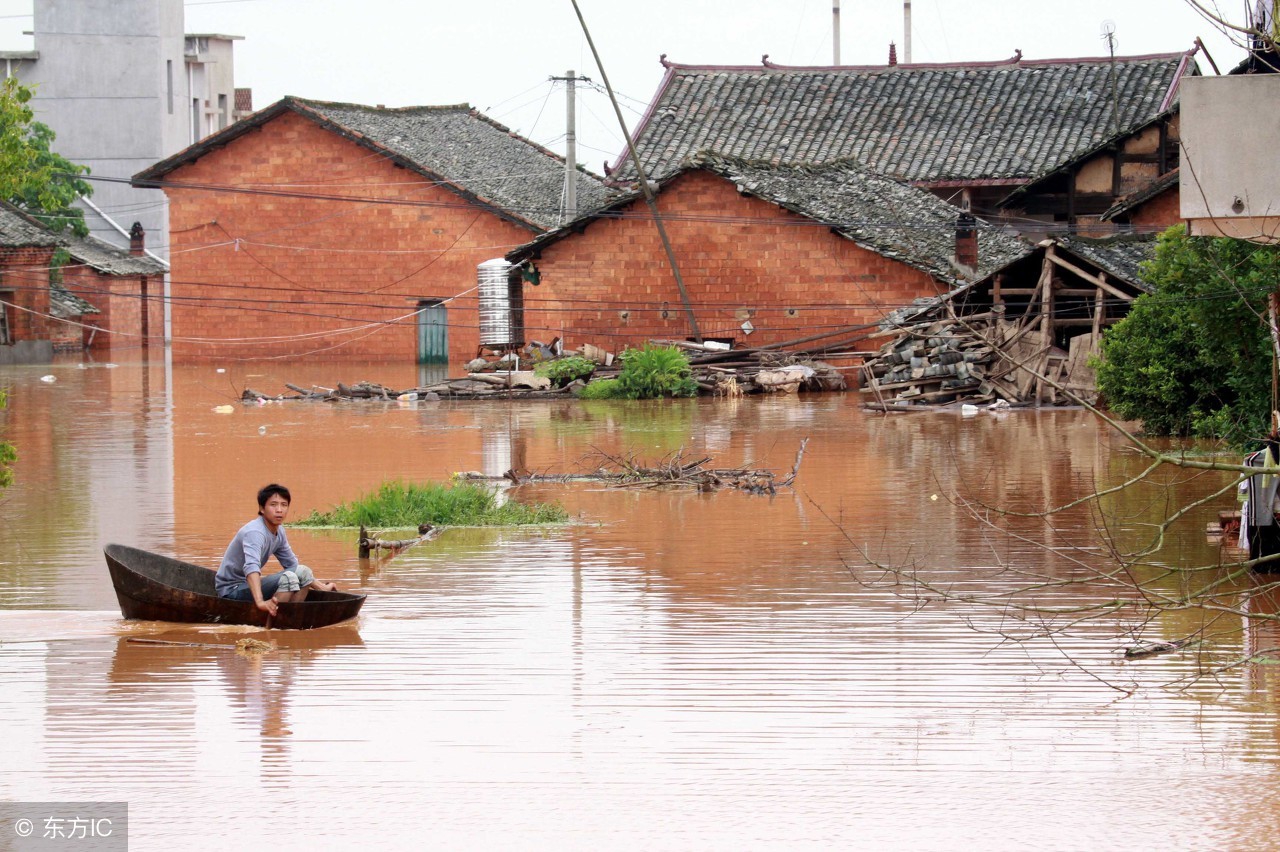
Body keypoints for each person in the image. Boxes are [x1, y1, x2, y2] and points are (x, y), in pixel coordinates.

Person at [215, 483, 337, 616]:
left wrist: (321, 587)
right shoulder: (255, 532)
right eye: (273, 505)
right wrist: (260, 602)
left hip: (247, 586)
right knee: (289, 577)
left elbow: (293, 565)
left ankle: (290, 618)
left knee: (301, 572)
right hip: (232, 590)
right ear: (262, 508)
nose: (279, 510)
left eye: (284, 505)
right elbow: (251, 567)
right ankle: (274, 619)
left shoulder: (279, 531)